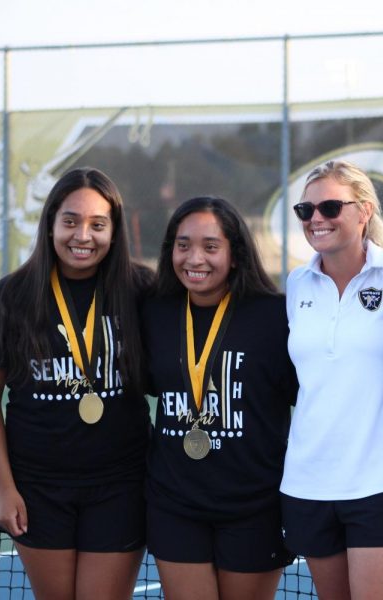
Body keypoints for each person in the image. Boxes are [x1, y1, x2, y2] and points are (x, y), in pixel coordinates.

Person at [0, 167, 154, 600]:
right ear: (51, 222)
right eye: (70, 221)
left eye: (97, 224)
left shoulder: (142, 290)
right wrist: (6, 489)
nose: (82, 235)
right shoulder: (10, 296)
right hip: (37, 490)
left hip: (122, 486)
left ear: (114, 230)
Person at [141, 196, 296, 600]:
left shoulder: (276, 316)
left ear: (235, 253)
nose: (195, 258)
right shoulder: (154, 313)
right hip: (175, 504)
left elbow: (317, 391)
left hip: (255, 507)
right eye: (183, 244)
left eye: (211, 246)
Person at [281, 160, 383, 599]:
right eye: (306, 210)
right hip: (308, 482)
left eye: (329, 206)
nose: (316, 218)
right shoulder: (296, 283)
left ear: (364, 212)